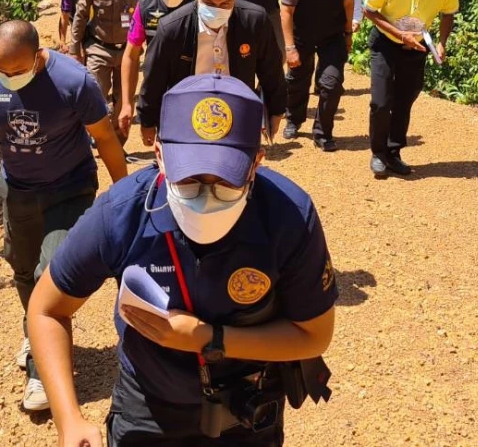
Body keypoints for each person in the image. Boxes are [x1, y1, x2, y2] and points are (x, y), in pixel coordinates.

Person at [28, 74, 337, 447]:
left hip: (245, 411)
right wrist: (69, 419)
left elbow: (313, 336)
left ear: (256, 163)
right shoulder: (122, 213)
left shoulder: (288, 217)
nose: (206, 199)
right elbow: (46, 309)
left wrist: (209, 339)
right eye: (188, 181)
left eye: (226, 184)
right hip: (148, 409)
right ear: (159, 154)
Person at [0, 20, 129, 412]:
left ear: (39, 57)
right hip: (19, 190)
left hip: (70, 189)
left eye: (17, 71)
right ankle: (37, 328)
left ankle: (42, 374)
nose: (8, 78)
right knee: (23, 270)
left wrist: (124, 195)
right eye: (1, 71)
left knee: (50, 274)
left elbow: (106, 138)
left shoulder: (74, 82)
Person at [138, 0, 286, 146]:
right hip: (186, 113)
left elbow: (271, 70)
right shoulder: (172, 28)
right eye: (208, 2)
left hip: (237, 112)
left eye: (225, 4)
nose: (216, 10)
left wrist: (276, 110)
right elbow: (154, 78)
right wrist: (147, 121)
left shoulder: (255, 21)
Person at [362, 0, 459, 179]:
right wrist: (397, 33)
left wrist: (441, 42)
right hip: (386, 44)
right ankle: (378, 154)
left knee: (404, 102)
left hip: (416, 47)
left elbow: (448, 13)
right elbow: (369, 10)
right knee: (381, 102)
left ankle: (394, 154)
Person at [279, 0, 356, 152]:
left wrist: (348, 33)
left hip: (332, 35)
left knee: (331, 84)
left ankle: (323, 132)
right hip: (302, 34)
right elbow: (286, 10)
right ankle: (294, 118)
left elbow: (348, 2)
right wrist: (290, 47)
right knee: (297, 79)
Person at [71, 0, 150, 128]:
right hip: (99, 49)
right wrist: (74, 50)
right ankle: (95, 139)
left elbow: (148, 20)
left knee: (124, 102)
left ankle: (116, 146)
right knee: (94, 99)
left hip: (128, 53)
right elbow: (80, 15)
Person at [119, 0, 195, 138]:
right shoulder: (146, 5)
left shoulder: (199, 5)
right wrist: (127, 103)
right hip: (157, 85)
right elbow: (131, 55)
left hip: (192, 83)